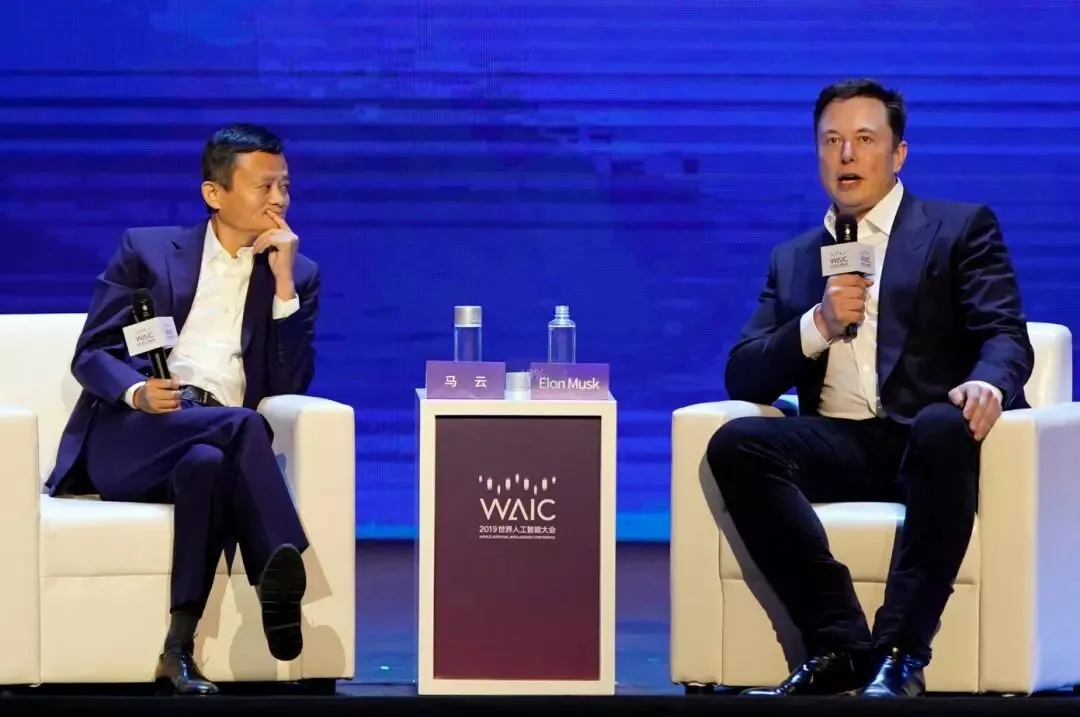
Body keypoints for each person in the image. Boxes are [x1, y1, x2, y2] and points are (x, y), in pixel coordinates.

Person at [707, 78, 1032, 699]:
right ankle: (839, 645)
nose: (847, 155)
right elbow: (743, 372)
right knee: (737, 444)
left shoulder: (958, 229)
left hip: (931, 443)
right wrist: (818, 325)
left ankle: (900, 653)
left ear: (898, 152)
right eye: (832, 141)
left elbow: (1004, 334)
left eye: (863, 139)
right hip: (842, 442)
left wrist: (987, 383)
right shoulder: (796, 258)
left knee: (940, 425)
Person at [46, 123, 322, 696]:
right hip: (133, 434)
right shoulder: (147, 251)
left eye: (285, 186)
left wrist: (283, 288)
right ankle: (278, 565)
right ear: (214, 193)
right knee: (244, 426)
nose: (279, 199)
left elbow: (290, 384)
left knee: (206, 465)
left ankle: (177, 651)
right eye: (264, 186)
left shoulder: (297, 275)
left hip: (217, 436)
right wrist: (137, 391)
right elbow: (91, 353)